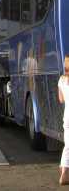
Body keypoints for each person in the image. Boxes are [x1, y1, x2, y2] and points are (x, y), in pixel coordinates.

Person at [58, 55, 69, 185]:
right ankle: (64, 175)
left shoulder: (61, 80)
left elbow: (61, 99)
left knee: (67, 145)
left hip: (66, 116)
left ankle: (63, 171)